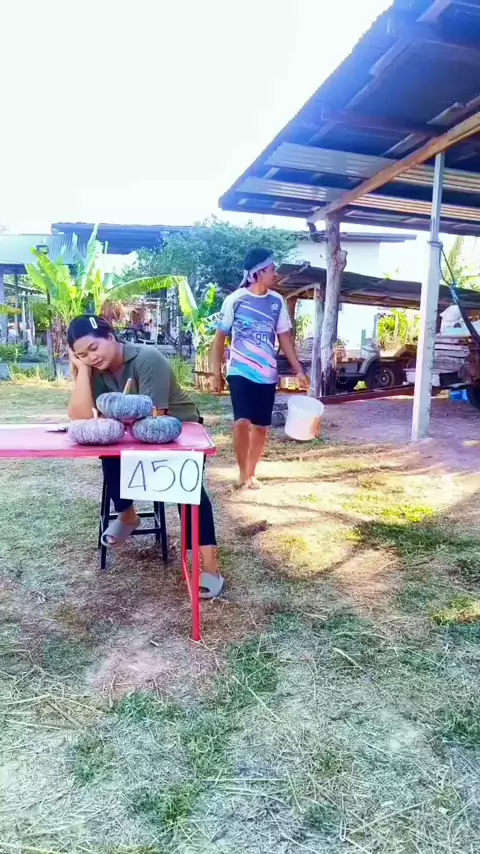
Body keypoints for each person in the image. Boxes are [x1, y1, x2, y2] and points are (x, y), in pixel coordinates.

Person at [67, 314, 223, 599]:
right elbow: (80, 417)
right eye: (81, 355)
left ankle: (209, 563)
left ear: (111, 337)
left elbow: (154, 418)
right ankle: (128, 516)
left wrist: (109, 421)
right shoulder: (94, 370)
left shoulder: (147, 358)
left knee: (188, 489)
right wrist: (82, 372)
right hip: (133, 434)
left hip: (178, 431)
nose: (91, 357)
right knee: (108, 453)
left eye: (93, 348)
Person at [211, 247, 309, 488]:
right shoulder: (235, 300)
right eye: (271, 269)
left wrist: (298, 370)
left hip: (267, 374)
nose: (275, 273)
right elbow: (220, 339)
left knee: (261, 427)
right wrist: (216, 373)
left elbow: (284, 338)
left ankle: (251, 474)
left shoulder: (277, 302)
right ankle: (242, 473)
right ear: (257, 273)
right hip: (240, 370)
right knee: (241, 421)